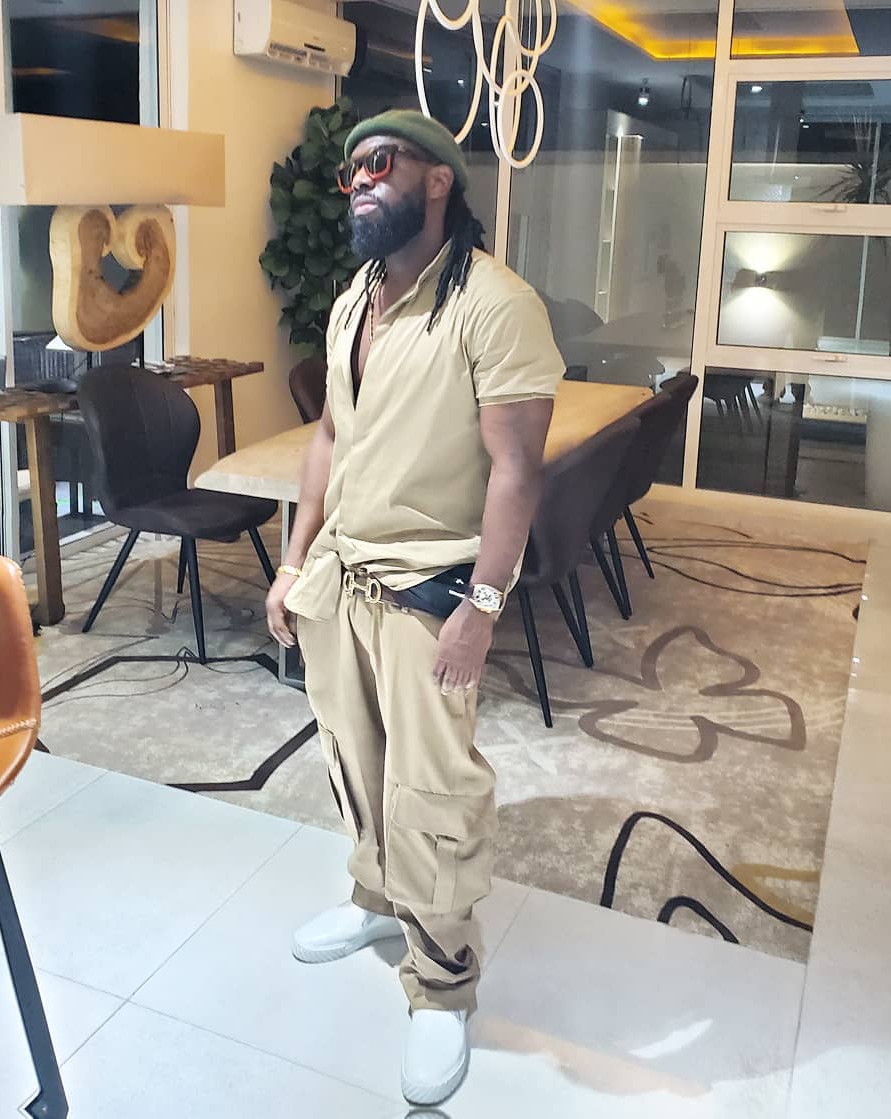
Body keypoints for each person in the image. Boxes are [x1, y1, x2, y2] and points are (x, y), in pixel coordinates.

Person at [265, 109, 563, 1106]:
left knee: (433, 788)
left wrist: (483, 606)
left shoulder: (494, 303)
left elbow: (516, 470)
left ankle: (443, 981)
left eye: (379, 163)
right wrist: (292, 562)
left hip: (430, 588)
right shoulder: (356, 297)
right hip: (339, 577)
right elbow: (329, 435)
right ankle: (374, 896)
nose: (358, 180)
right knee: (353, 760)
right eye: (351, 169)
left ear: (438, 180)